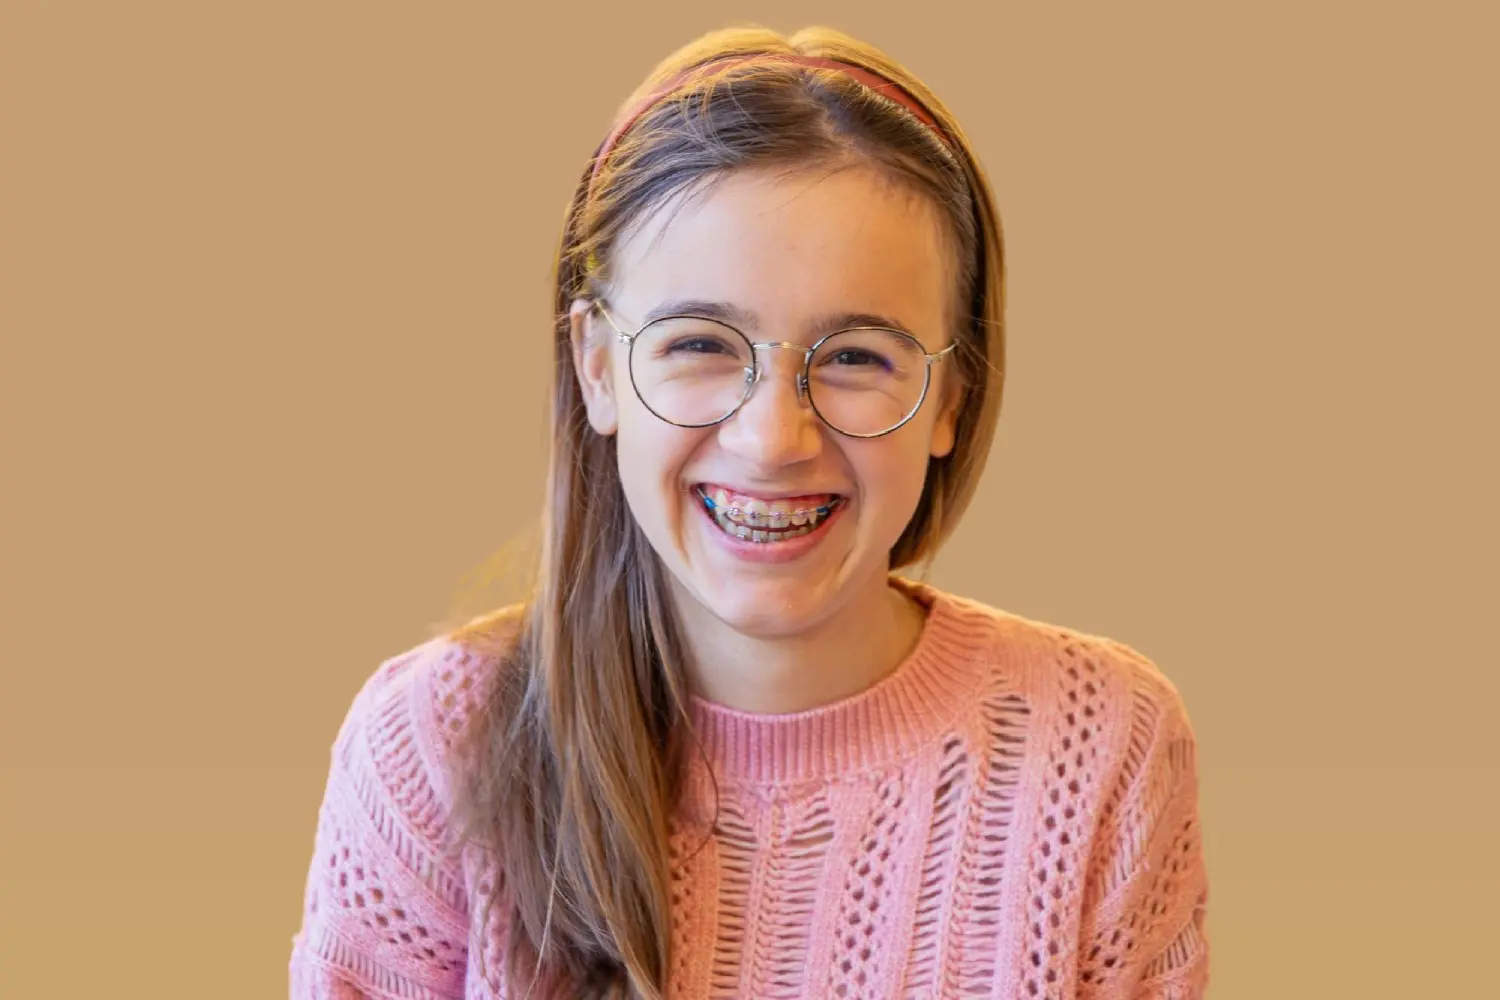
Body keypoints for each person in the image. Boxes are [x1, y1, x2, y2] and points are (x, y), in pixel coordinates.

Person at [288, 23, 1210, 1000]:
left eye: (857, 356)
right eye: (700, 343)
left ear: (952, 399)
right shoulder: (431, 744)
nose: (774, 439)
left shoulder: (1102, 743)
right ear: (598, 368)